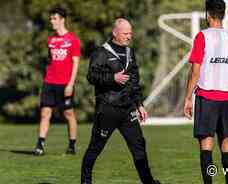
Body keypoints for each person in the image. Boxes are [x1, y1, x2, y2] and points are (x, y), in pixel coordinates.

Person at [81, 18, 161, 184]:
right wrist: (112, 78)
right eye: (125, 33)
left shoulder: (130, 53)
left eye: (130, 33)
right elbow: (91, 76)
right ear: (115, 33)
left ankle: (149, 182)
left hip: (127, 110)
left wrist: (139, 104)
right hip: (107, 109)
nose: (129, 36)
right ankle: (85, 181)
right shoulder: (101, 53)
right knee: (95, 148)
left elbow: (133, 82)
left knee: (139, 145)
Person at [183, 0, 228, 183]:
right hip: (226, 97)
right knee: (226, 142)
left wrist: (187, 98)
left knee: (206, 143)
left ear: (207, 14)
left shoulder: (202, 37)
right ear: (224, 14)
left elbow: (195, 71)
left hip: (207, 96)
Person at [33, 5, 80, 156]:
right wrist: (45, 81)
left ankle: (72, 145)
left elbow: (76, 63)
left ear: (62, 20)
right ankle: (40, 145)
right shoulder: (51, 39)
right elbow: (49, 61)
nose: (51, 21)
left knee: (69, 114)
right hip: (49, 82)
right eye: (51, 18)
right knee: (45, 113)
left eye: (54, 18)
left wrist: (71, 84)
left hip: (65, 84)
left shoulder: (73, 40)